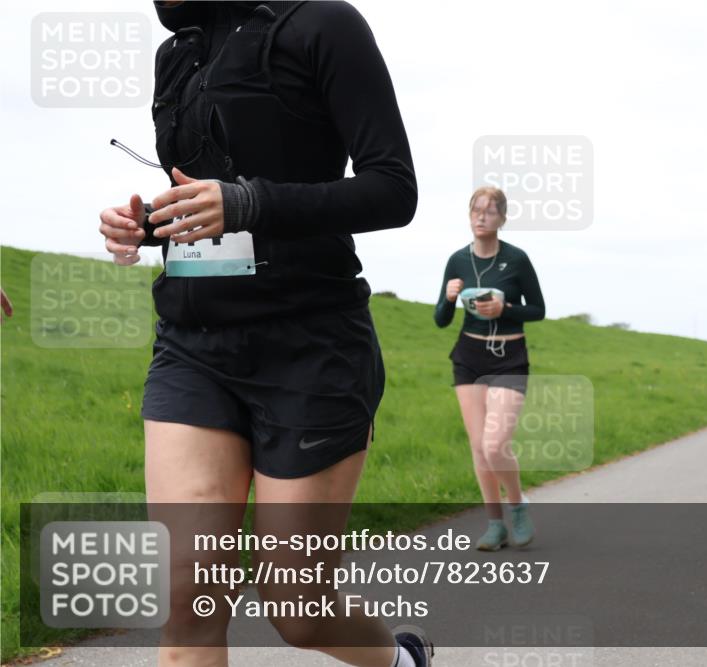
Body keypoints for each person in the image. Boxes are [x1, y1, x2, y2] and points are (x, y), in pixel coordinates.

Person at [98, 2, 431, 666]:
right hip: (193, 345)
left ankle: (400, 661)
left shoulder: (323, 24)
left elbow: (394, 189)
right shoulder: (179, 52)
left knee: (297, 608)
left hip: (310, 346)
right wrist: (147, 223)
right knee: (190, 598)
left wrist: (252, 201)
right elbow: (201, 195)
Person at [434, 186, 546, 551]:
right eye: (476, 210)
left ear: (502, 218)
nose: (481, 216)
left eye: (490, 211)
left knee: (495, 443)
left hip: (509, 357)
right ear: (469, 215)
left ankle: (517, 506)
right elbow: (440, 319)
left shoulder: (516, 260)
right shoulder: (456, 261)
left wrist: (506, 309)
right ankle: (494, 525)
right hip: (469, 356)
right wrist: (450, 298)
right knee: (479, 448)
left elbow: (538, 310)